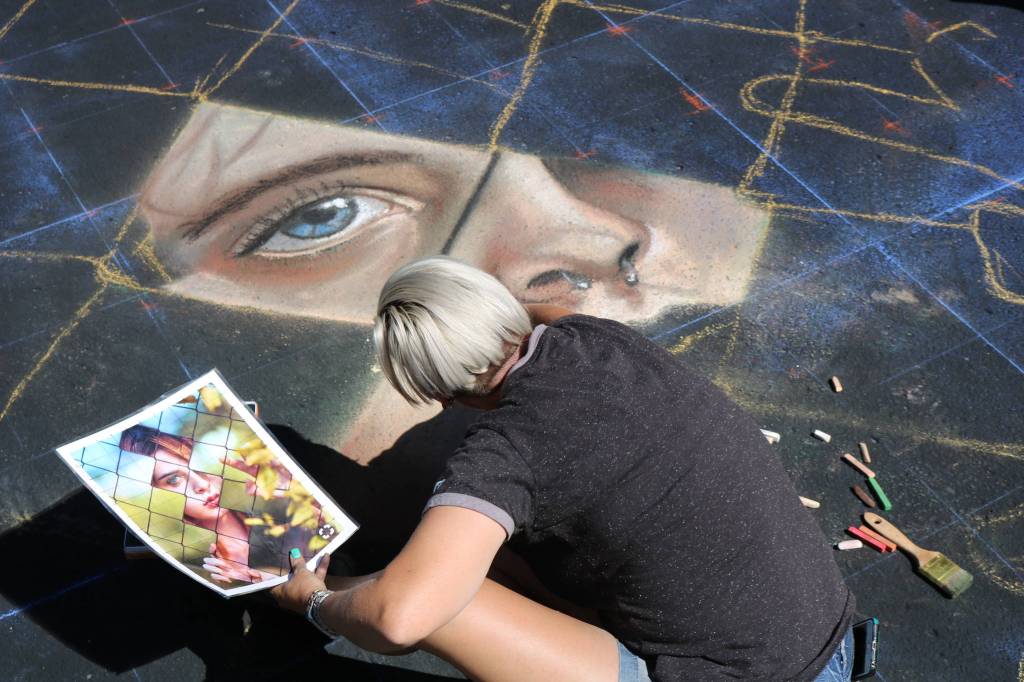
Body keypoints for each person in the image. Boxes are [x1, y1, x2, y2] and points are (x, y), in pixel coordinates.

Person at [270, 257, 855, 682]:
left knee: (449, 598)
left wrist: (315, 603)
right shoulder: (593, 337)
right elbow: (528, 313)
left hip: (746, 676)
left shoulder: (503, 456)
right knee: (493, 556)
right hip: (828, 633)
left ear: (443, 397)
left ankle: (299, 586)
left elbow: (399, 622)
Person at [118, 424, 316, 586]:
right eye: (173, 480)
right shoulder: (212, 568)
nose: (202, 484)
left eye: (196, 464)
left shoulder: (271, 507)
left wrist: (301, 496)